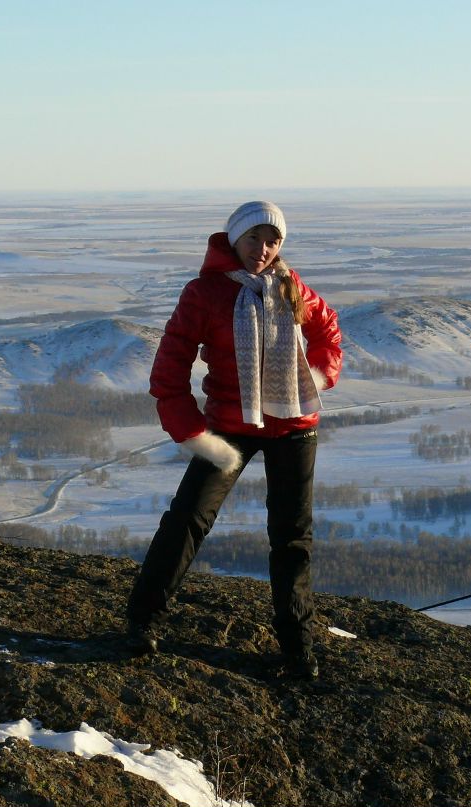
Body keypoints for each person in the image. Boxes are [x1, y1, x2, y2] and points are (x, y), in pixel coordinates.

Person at [126, 201, 342, 681]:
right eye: (253, 239)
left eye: (273, 241)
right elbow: (169, 370)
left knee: (291, 538)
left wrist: (318, 378)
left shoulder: (292, 287)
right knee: (187, 519)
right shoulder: (204, 293)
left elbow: (329, 333)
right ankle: (141, 623)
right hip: (229, 425)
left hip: (293, 425)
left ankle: (298, 651)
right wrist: (190, 430)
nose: (262, 250)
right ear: (233, 239)